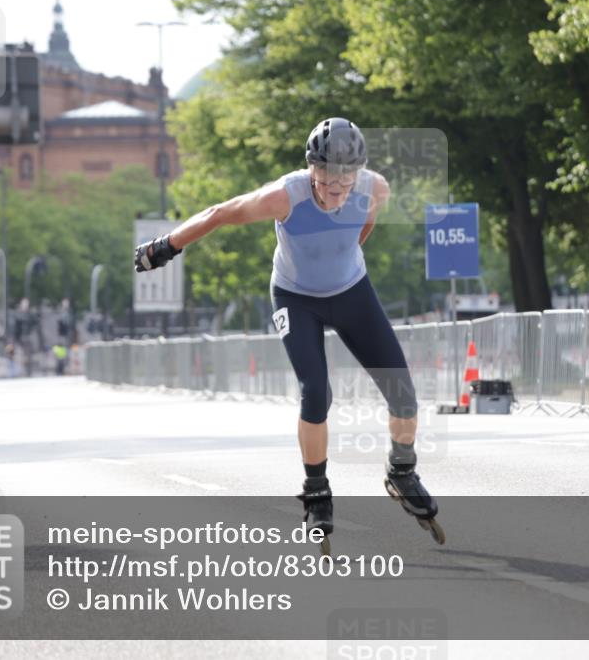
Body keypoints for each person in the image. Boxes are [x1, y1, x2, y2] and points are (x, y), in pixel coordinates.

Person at [134, 117, 442, 550]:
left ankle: (401, 473)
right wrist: (165, 246)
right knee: (316, 393)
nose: (335, 191)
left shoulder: (375, 188)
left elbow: (362, 229)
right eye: (327, 181)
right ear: (311, 169)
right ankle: (316, 491)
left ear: (358, 173)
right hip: (296, 298)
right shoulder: (284, 196)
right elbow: (221, 213)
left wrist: (342, 259)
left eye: (344, 182)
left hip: (352, 291)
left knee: (403, 392)